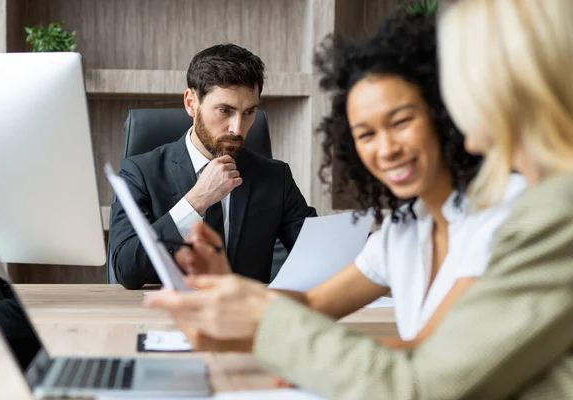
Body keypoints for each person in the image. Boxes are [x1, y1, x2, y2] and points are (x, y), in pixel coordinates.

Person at [146, 1, 573, 398]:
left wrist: (278, 335)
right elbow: (314, 305)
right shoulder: (410, 224)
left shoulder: (524, 214)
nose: (385, 149)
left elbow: (426, 369)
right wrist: (232, 298)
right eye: (366, 134)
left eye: (401, 121)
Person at [109, 44, 316, 290]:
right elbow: (126, 269)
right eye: (225, 111)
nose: (238, 128)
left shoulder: (275, 177)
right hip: (165, 317)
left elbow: (318, 255)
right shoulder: (139, 173)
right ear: (191, 103)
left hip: (245, 320)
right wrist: (196, 202)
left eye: (249, 112)